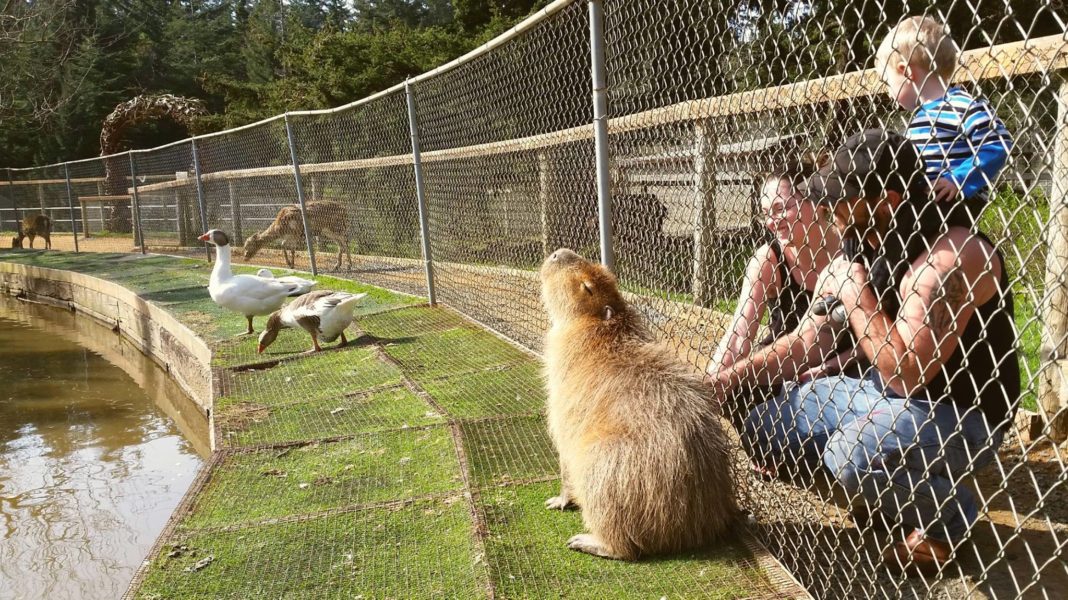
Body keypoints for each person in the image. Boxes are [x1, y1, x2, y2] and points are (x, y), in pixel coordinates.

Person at [706, 129, 1020, 576]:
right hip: (876, 394)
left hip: (958, 412)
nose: (829, 205)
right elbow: (807, 342)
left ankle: (951, 518)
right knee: (763, 426)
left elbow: (907, 374)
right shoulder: (864, 236)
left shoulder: (948, 258)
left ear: (886, 200)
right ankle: (888, 489)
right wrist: (722, 383)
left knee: (851, 454)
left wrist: (855, 293)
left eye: (842, 195)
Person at [709, 162, 846, 384]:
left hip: (839, 374)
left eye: (781, 208)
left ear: (818, 202)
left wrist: (832, 366)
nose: (771, 223)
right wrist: (712, 382)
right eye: (765, 214)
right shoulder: (768, 259)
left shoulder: (850, 251)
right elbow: (739, 334)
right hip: (780, 368)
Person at [876, 15, 1013, 220]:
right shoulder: (922, 116)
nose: (888, 92)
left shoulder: (960, 104)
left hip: (952, 199)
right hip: (928, 199)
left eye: (888, 82)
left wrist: (957, 179)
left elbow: (998, 143)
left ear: (905, 72)